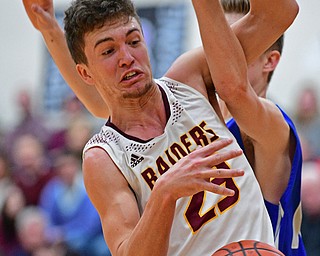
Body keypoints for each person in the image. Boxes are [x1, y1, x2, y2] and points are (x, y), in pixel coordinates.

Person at [22, 0, 299, 254]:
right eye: (108, 51)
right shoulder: (103, 158)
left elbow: (280, 14)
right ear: (86, 73)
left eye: (134, 41)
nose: (127, 57)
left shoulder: (189, 78)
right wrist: (164, 193)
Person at [217, 0, 306, 255]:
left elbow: (235, 91)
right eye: (216, 40)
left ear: (270, 61)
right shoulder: (200, 114)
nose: (219, 52)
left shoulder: (272, 125)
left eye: (236, 43)